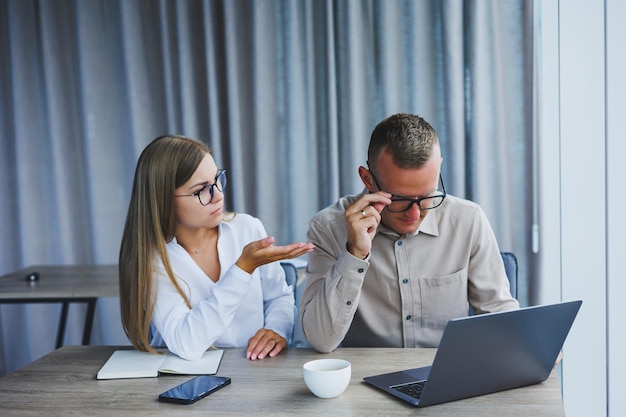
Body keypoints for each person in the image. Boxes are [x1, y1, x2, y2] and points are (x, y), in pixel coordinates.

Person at [300, 113, 519, 353]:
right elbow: (321, 340)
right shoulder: (328, 228)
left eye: (427, 197)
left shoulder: (468, 220)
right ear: (367, 179)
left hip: (447, 376)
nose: (414, 215)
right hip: (364, 381)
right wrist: (354, 255)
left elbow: (498, 312)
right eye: (400, 199)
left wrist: (527, 344)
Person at [119, 135, 314, 361]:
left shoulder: (247, 229)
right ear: (163, 200)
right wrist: (242, 270)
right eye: (201, 190)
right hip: (181, 380)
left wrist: (276, 331)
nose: (219, 195)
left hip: (253, 372)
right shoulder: (152, 260)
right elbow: (187, 344)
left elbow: (278, 297)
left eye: (217, 179)